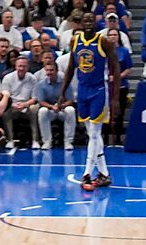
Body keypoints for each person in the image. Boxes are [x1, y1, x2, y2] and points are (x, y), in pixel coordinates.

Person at [59, 12, 114, 189]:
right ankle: (104, 174)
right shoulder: (75, 41)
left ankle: (87, 173)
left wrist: (115, 99)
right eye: (85, 20)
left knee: (95, 133)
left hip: (98, 90)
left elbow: (116, 66)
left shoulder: (103, 41)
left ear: (95, 23)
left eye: (91, 20)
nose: (89, 22)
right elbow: (70, 69)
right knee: (92, 134)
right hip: (82, 90)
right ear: (80, 23)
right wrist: (62, 92)